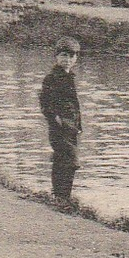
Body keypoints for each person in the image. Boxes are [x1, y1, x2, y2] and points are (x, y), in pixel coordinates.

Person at [38, 37, 83, 202]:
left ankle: (62, 196)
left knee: (64, 160)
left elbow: (74, 104)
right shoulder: (52, 77)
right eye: (64, 55)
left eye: (72, 56)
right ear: (56, 56)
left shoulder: (69, 76)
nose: (68, 60)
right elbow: (45, 102)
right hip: (60, 127)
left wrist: (78, 125)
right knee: (68, 160)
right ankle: (61, 196)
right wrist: (55, 118)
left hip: (71, 127)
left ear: (76, 58)